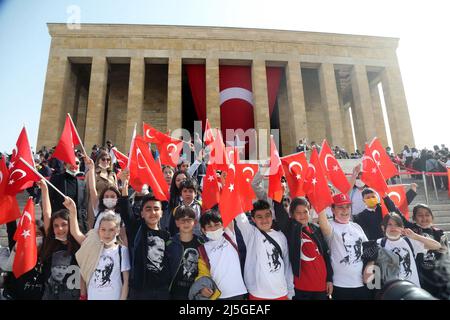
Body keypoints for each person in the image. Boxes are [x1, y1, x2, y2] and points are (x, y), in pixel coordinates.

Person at [273, 197, 332, 300]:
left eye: (305, 212)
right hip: (301, 289)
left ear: (309, 212)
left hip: (321, 287)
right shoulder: (290, 229)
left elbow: (326, 256)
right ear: (292, 214)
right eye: (298, 213)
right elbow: (279, 210)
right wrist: (278, 189)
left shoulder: (316, 229)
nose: (302, 215)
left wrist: (329, 279)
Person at [235, 200, 294, 300]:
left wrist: (290, 291)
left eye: (267, 215)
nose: (265, 220)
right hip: (257, 293)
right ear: (253, 219)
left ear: (272, 216)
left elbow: (287, 265)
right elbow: (239, 215)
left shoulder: (281, 236)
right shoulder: (250, 234)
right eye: (259, 217)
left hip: (281, 292)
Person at [363, 213, 441, 289]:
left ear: (402, 228)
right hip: (390, 292)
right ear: (383, 228)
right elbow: (367, 280)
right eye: (390, 224)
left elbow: (437, 245)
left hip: (412, 290)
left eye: (397, 225)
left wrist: (415, 236)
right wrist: (372, 259)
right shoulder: (377, 244)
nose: (393, 227)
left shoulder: (410, 241)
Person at [68, 206, 130, 300]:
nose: (107, 233)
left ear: (117, 231)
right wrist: (73, 211)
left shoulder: (122, 250)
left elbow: (126, 281)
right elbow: (75, 232)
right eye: (103, 229)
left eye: (111, 230)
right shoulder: (92, 247)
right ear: (98, 231)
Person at [318, 193, 371, 300]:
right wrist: (319, 200)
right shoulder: (330, 227)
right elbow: (322, 222)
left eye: (347, 207)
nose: (345, 210)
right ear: (332, 210)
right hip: (340, 285)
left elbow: (369, 250)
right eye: (340, 207)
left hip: (363, 284)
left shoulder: (357, 227)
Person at [120, 194, 171, 299]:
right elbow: (126, 214)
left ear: (161, 213)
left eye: (156, 209)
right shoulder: (137, 230)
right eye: (148, 209)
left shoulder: (167, 235)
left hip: (162, 290)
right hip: (140, 289)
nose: (152, 212)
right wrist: (124, 193)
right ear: (142, 213)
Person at [38, 180, 81, 300]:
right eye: (56, 225)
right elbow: (47, 214)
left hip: (72, 295)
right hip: (50, 294)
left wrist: (73, 210)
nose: (60, 229)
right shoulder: (51, 241)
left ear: (71, 224)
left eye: (64, 224)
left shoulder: (79, 243)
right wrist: (44, 189)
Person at [396, 204, 449, 297]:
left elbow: (444, 253)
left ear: (432, 217)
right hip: (418, 275)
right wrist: (385, 197)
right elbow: (396, 212)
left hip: (437, 276)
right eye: (420, 215)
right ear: (414, 218)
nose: (424, 218)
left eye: (427, 214)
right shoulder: (411, 230)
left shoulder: (439, 232)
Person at [195, 211, 247, 300]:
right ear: (203, 230)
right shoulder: (202, 249)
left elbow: (229, 210)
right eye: (209, 226)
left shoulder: (229, 236)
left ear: (223, 225)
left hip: (239, 292)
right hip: (218, 296)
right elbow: (203, 273)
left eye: (216, 224)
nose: (214, 228)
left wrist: (224, 197)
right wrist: (202, 288)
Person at [167, 206, 204, 300]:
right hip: (174, 294)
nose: (186, 223)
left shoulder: (202, 244)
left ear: (195, 222)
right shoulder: (169, 244)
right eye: (182, 220)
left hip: (197, 294)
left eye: (189, 220)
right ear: (177, 223)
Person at [48, 157, 88, 233]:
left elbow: (83, 207)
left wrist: (84, 227)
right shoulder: (56, 179)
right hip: (60, 225)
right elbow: (48, 200)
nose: (74, 165)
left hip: (77, 225)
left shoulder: (82, 183)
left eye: (77, 163)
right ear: (65, 165)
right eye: (71, 162)